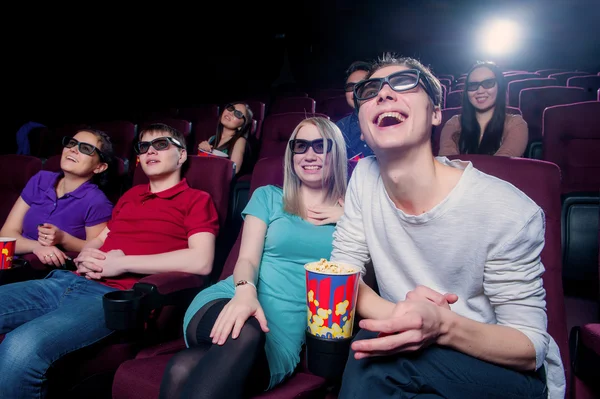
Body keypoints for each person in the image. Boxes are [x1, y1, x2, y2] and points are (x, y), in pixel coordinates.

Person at [331, 54, 564, 399]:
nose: (384, 95)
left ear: (436, 114)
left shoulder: (507, 209)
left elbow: (529, 347)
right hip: (415, 356)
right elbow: (340, 277)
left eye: (405, 83)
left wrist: (441, 325)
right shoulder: (363, 179)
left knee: (372, 358)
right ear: (362, 129)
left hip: (497, 368)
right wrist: (410, 318)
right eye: (370, 90)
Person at [0, 123, 220, 399]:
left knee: (21, 348)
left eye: (161, 144)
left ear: (182, 155)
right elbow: (104, 236)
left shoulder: (196, 199)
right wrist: (85, 255)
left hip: (114, 298)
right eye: (144, 146)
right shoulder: (130, 196)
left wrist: (123, 263)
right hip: (67, 281)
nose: (150, 150)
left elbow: (201, 261)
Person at [160, 117, 348, 399]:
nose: (310, 154)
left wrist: (350, 219)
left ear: (338, 153)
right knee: (244, 331)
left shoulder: (357, 214)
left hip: (281, 333)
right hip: (232, 297)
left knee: (183, 367)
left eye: (322, 146)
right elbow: (246, 259)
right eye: (301, 146)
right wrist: (245, 294)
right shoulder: (269, 197)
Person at [0, 129, 114, 267]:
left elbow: (94, 249)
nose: (73, 149)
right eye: (72, 143)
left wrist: (63, 239)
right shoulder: (40, 179)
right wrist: (37, 247)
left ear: (99, 167)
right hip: (8, 259)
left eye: (86, 148)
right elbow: (6, 234)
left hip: (42, 272)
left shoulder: (96, 201)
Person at [438, 61, 528, 157]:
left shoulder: (516, 124)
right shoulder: (454, 123)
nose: (480, 91)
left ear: (500, 87)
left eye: (488, 83)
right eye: (473, 85)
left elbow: (502, 164)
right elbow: (447, 161)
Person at [197, 102, 254, 175]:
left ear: (242, 126)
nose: (231, 113)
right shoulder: (212, 139)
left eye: (238, 114)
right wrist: (201, 152)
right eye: (231, 108)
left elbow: (233, 170)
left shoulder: (240, 141)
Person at [336, 60, 375, 159]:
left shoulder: (390, 121)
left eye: (363, 85)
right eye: (350, 87)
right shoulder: (339, 129)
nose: (356, 91)